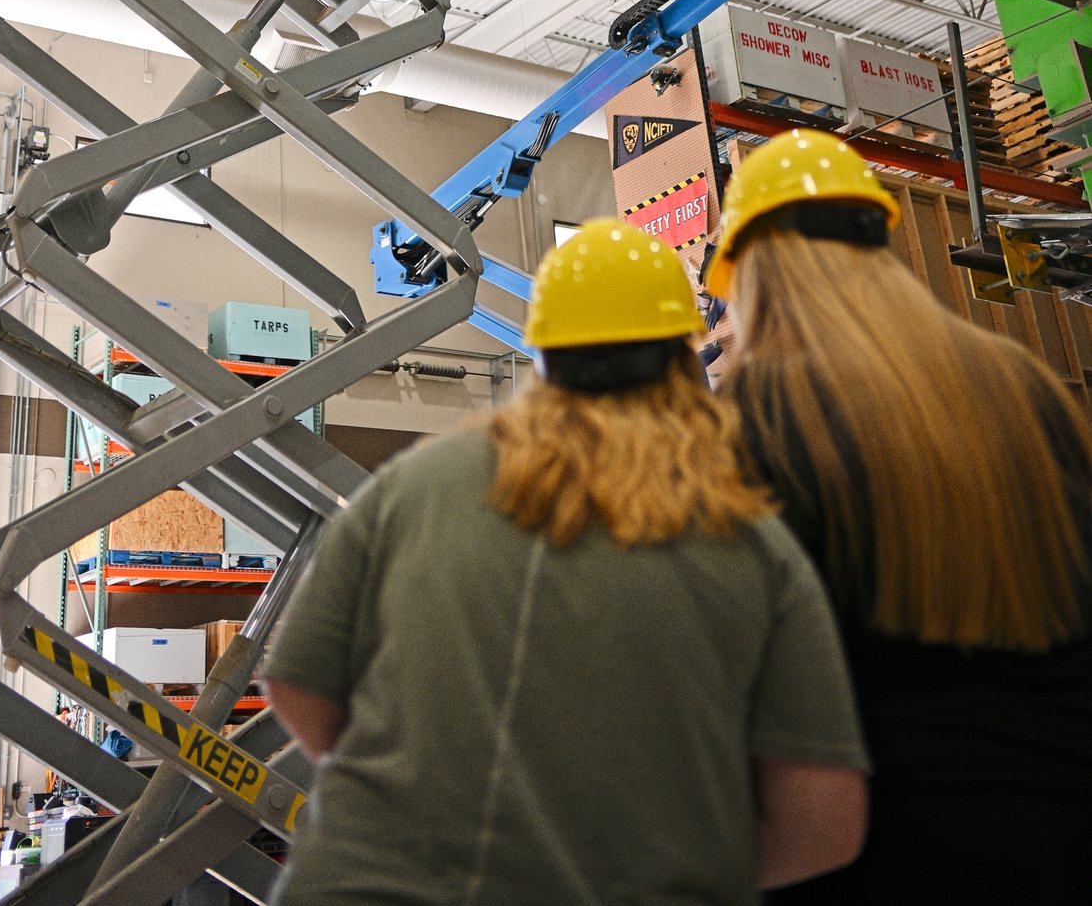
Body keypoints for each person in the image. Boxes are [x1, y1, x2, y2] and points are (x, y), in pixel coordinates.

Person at [263, 220, 868, 904]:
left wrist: (403, 796)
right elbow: (824, 821)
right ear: (683, 359)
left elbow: (296, 681)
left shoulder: (409, 488)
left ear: (543, 358)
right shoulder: (752, 541)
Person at [707, 128, 1092, 903]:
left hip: (873, 847)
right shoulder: (1021, 383)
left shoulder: (750, 419)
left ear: (747, 275)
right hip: (1066, 819)